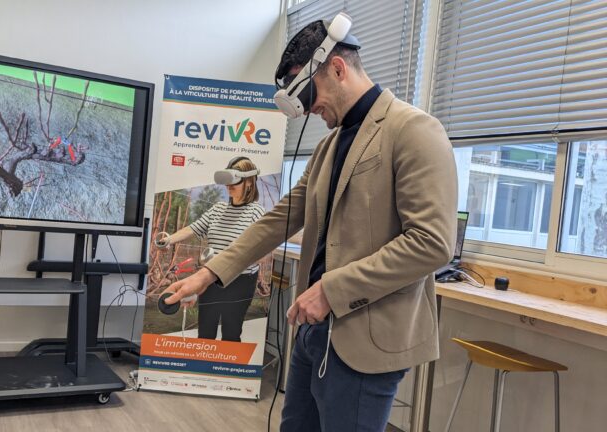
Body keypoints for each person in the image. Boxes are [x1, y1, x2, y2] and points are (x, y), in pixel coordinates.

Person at [164, 15, 458, 432]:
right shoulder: (328, 147)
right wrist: (208, 274)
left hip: (364, 340)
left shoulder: (414, 131)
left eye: (310, 94)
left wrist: (332, 290)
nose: (310, 109)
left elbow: (431, 243)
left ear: (337, 68)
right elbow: (280, 218)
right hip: (312, 331)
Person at [157, 156, 265, 342]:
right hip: (210, 278)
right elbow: (193, 228)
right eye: (226, 182)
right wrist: (168, 240)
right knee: (205, 332)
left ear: (248, 182)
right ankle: (202, 370)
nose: (229, 186)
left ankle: (227, 370)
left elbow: (260, 249)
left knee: (231, 332)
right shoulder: (218, 209)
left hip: (240, 281)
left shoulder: (256, 212)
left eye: (234, 181)